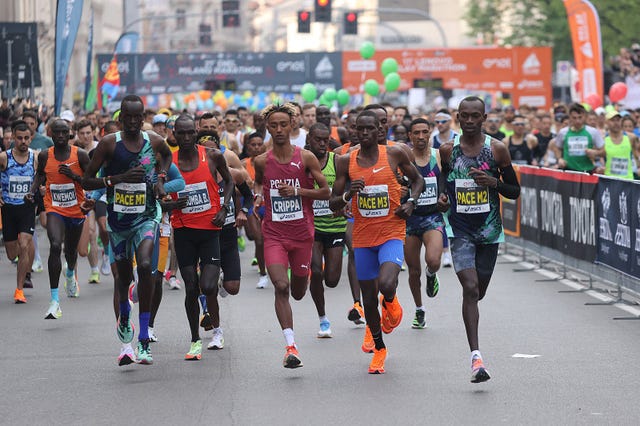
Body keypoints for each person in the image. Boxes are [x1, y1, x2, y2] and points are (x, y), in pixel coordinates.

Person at [330, 110, 424, 374]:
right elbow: (333, 202)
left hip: (392, 232)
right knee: (369, 300)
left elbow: (418, 181)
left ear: (379, 130)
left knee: (386, 283)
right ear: (355, 132)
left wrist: (411, 203)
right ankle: (380, 349)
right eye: (360, 129)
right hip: (363, 237)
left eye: (370, 128)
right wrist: (349, 193)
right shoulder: (345, 162)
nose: (365, 133)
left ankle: (392, 301)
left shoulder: (394, 154)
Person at [82, 94, 172, 365]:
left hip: (146, 217)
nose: (133, 122)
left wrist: (160, 179)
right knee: (123, 280)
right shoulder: (110, 144)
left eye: (138, 117)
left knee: (145, 266)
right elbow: (88, 181)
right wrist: (117, 180)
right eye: (128, 117)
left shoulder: (154, 141)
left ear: (143, 117)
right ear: (120, 117)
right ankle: (125, 331)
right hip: (118, 222)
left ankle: (143, 339)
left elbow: (166, 158)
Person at [438, 96, 520, 383]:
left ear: (485, 118)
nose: (470, 121)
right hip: (459, 232)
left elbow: (514, 191)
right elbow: (443, 182)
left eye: (476, 116)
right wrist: (442, 197)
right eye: (465, 116)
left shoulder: (496, 150)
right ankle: (476, 357)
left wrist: (494, 183)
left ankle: (471, 315)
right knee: (470, 289)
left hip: (489, 233)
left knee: (478, 292)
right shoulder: (448, 151)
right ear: (457, 117)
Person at [252, 103, 330, 368]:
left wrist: (298, 192)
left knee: (298, 292)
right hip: (274, 234)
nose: (279, 130)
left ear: (293, 124)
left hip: (302, 236)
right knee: (281, 287)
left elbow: (326, 191)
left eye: (283, 124)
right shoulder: (262, 160)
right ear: (267, 128)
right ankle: (290, 346)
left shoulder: (305, 157)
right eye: (273, 125)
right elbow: (259, 182)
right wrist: (257, 195)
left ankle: (303, 275)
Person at [169, 115, 234, 361]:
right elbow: (158, 195)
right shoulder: (169, 161)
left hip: (209, 230)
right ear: (174, 134)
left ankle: (216, 328)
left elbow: (228, 182)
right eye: (181, 134)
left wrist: (224, 208)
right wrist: (172, 203)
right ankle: (195, 339)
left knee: (207, 286)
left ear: (195, 132)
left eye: (189, 133)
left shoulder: (213, 156)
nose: (186, 138)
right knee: (190, 286)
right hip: (184, 231)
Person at [27, 119, 91, 319]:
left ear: (70, 133)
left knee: (70, 252)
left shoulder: (79, 155)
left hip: (76, 211)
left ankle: (70, 274)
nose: (61, 136)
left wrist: (74, 176)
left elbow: (91, 180)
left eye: (65, 132)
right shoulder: (46, 155)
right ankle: (54, 301)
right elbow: (39, 176)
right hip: (54, 208)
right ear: (51, 134)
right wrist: (32, 190)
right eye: (57, 133)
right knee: (55, 245)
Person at [404, 118, 446, 329]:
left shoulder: (438, 156)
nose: (421, 137)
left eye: (424, 132)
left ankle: (432, 275)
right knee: (413, 270)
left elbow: (446, 181)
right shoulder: (404, 158)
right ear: (410, 136)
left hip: (432, 217)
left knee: (433, 260)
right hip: (409, 219)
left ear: (430, 133)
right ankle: (419, 310)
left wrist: (444, 196)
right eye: (416, 133)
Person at [307, 123, 347, 338]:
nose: (322, 143)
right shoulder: (303, 162)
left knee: (331, 280)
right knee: (316, 271)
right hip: (311, 227)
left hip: (335, 226)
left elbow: (348, 186)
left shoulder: (337, 161)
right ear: (309, 140)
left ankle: (320, 290)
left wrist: (344, 202)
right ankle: (323, 319)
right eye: (317, 139)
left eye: (325, 139)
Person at [0, 120, 36, 303]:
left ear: (31, 138)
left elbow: (42, 179)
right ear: (13, 138)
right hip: (8, 209)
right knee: (11, 253)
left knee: (24, 244)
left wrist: (40, 190)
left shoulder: (35, 157)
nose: (23, 141)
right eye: (19, 138)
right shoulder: (4, 157)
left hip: (27, 209)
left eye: (26, 138)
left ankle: (19, 290)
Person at [242, 132, 268, 288]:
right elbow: (235, 187)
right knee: (259, 240)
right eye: (253, 145)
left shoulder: (270, 162)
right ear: (248, 147)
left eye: (260, 144)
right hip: (252, 206)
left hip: (269, 206)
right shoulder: (243, 164)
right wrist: (247, 187)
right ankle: (263, 274)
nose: (257, 147)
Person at [551, 103, 605, 172]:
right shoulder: (563, 132)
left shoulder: (592, 132)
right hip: (569, 171)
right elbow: (557, 147)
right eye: (574, 118)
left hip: (587, 171)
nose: (577, 121)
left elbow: (604, 151)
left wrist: (595, 153)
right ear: (570, 117)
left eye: (580, 117)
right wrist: (559, 159)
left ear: (585, 117)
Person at [600, 110, 634, 179]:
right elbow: (598, 157)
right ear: (606, 123)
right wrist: (601, 167)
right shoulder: (603, 140)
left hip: (628, 180)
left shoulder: (631, 138)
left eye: (618, 120)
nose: (616, 123)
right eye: (612, 120)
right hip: (609, 181)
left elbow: (637, 156)